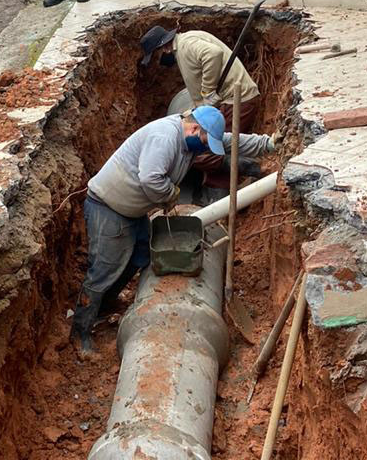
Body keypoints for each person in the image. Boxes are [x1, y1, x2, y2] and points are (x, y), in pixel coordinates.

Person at [71, 105, 227, 354]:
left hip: (132, 210)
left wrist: (265, 144)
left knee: (143, 252)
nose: (207, 148)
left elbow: (232, 139)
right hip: (109, 207)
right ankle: (80, 331)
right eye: (207, 142)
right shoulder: (164, 137)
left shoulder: (189, 139)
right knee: (104, 269)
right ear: (196, 128)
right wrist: (170, 194)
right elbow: (151, 178)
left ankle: (105, 305)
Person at [139, 24, 261, 132]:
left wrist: (208, 91)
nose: (158, 61)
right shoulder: (184, 44)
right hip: (229, 101)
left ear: (164, 48)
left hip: (238, 101)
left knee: (209, 147)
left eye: (156, 56)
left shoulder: (186, 44)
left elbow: (213, 53)